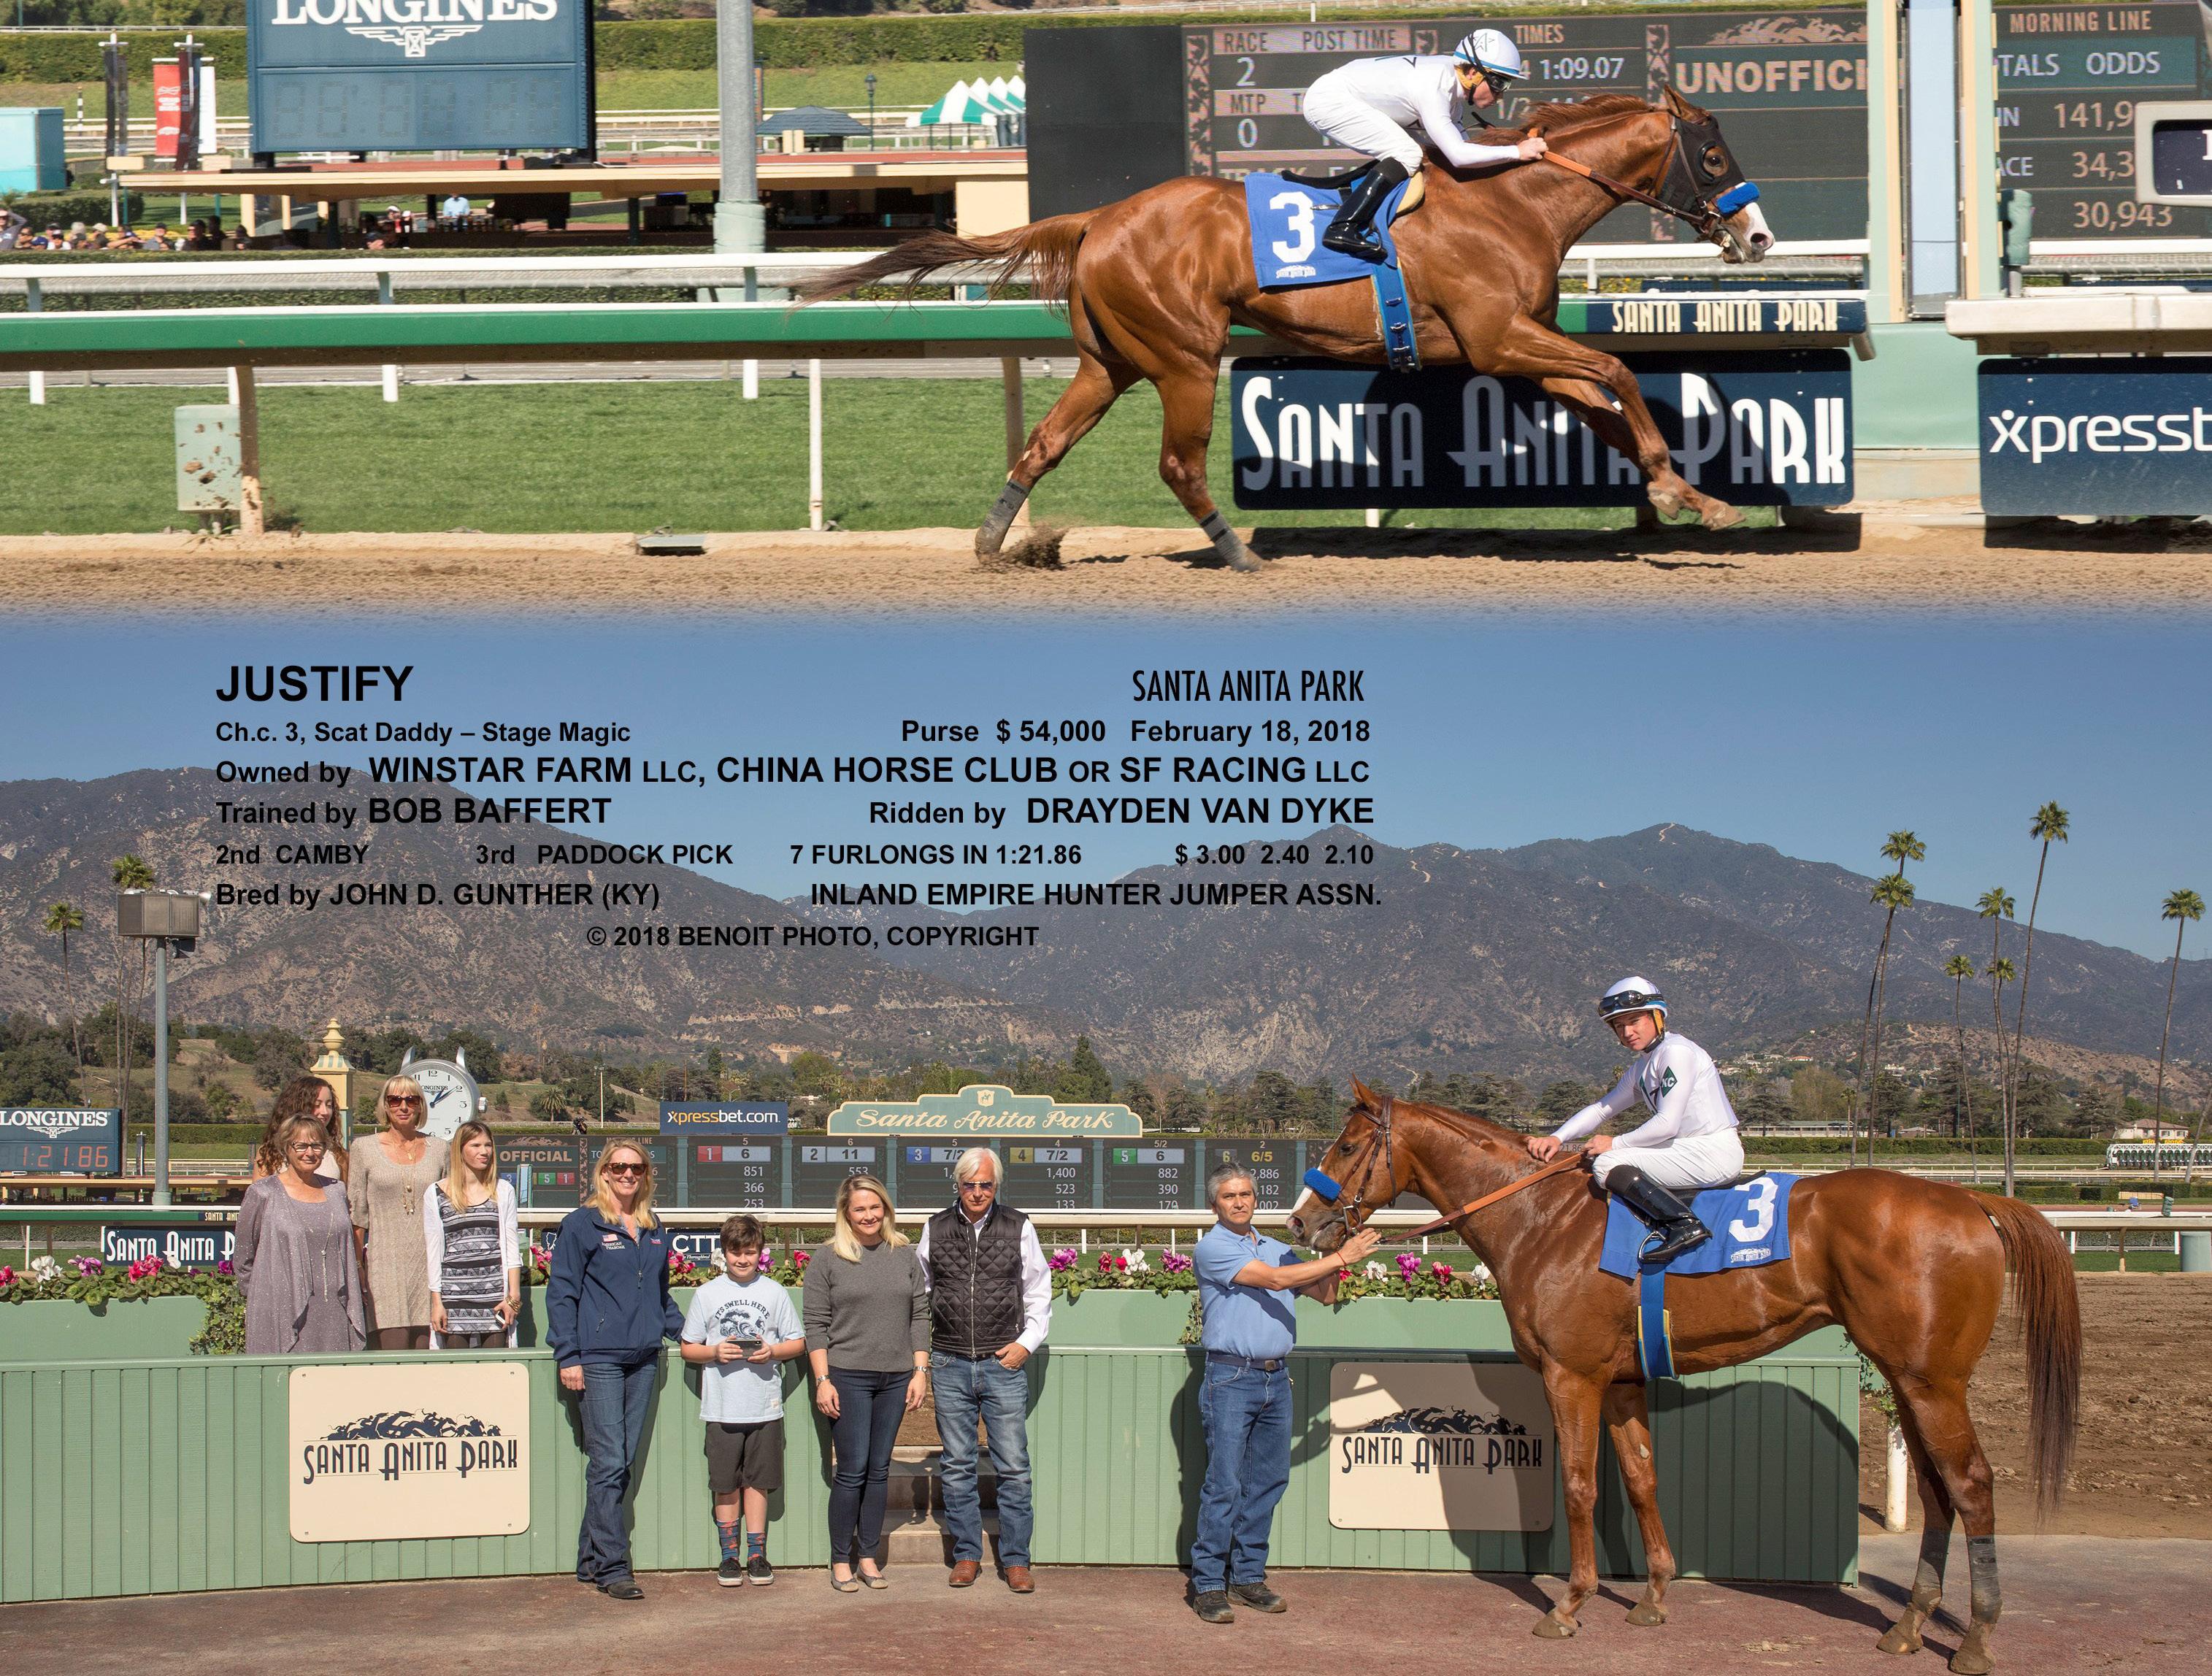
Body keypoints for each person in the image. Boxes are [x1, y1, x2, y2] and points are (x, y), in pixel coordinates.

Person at [1188, 1165, 1379, 1625]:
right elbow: (1274, 1281)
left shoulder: (1277, 1248)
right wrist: (1343, 1256)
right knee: (1225, 1483)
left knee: (1269, 1482)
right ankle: (1209, 1584)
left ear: (1256, 1200)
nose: (1239, 1202)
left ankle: (1248, 1577)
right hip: (1230, 1378)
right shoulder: (1212, 1247)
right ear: (1214, 1205)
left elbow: (1326, 1295)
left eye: (1246, 1194)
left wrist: (1332, 1244)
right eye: (1229, 1196)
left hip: (1277, 1379)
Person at [548, 1138, 686, 1601]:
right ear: (604, 1171)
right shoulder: (581, 1224)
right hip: (599, 1359)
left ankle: (590, 1560)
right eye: (619, 1166)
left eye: (637, 1167)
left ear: (646, 1175)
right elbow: (562, 1293)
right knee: (609, 1462)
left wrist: (689, 1334)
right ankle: (613, 1567)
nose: (628, 1174)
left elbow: (661, 1296)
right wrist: (568, 1355)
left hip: (644, 1358)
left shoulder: (652, 1226)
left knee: (619, 1463)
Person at [1527, 977, 1746, 1264]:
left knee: (1607, 1163)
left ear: (1657, 1016)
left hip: (1712, 1152)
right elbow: (1602, 1109)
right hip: (1690, 1148)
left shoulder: (1676, 1052)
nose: (1627, 1032)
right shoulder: (1644, 1065)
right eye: (1619, 1026)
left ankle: (1683, 1225)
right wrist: (1557, 1137)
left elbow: (1667, 1124)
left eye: (1634, 1021)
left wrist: (1614, 1143)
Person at [915, 1147, 1049, 1593]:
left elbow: (1038, 1291)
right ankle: (967, 1555)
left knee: (1014, 1468)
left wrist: (1025, 1345)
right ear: (957, 1184)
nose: (977, 1192)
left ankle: (1016, 1560)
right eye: (969, 1184)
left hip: (1001, 1363)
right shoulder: (934, 1227)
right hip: (949, 1361)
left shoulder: (1019, 1226)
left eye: (985, 1184)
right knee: (957, 1466)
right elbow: (921, 1292)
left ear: (997, 1185)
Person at [1299, 29, 1548, 260]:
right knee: (1407, 153)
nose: (1501, 95)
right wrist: (1517, 151)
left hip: (1346, 95)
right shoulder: (1435, 87)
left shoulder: (1451, 95)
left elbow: (1463, 151)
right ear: (1473, 73)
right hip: (1329, 101)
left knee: (1416, 152)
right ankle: (1343, 227)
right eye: (1499, 83)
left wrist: (1497, 148)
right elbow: (1459, 156)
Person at [802, 1173, 930, 1593]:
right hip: (847, 1376)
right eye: (860, 1208)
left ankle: (869, 1558)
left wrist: (920, 1371)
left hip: (896, 1377)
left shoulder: (904, 1255)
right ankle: (842, 1560)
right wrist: (823, 1380)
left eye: (875, 1207)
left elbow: (919, 1315)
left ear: (886, 1209)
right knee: (852, 1471)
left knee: (879, 1470)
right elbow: (815, 1325)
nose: (869, 1215)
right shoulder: (827, 1258)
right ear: (846, 1213)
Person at [680, 1214, 804, 1587]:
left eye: (750, 1252)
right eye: (736, 1253)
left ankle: (756, 1555)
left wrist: (772, 1351)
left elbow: (798, 1343)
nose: (743, 1259)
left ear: (760, 1253)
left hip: (765, 1407)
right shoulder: (707, 1294)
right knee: (726, 1484)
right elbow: (688, 1348)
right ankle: (729, 1557)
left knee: (757, 1483)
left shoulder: (775, 1293)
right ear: (725, 1253)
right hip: (721, 1408)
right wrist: (715, 1352)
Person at [234, 1116, 366, 1354]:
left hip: (334, 1309)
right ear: (286, 1147)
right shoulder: (263, 1193)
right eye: (301, 1146)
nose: (310, 1153)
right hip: (281, 1311)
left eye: (317, 1146)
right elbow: (244, 1256)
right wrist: (263, 1301)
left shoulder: (337, 1190)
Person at [347, 1073, 449, 1350]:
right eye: (395, 1100)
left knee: (426, 1357)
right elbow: (357, 1217)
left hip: (429, 1267)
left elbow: (449, 1211)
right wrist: (358, 1267)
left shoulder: (440, 1149)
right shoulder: (364, 1149)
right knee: (390, 1354)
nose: (403, 1106)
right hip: (383, 1269)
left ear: (420, 1105)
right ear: (385, 1105)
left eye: (411, 1100)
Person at [423, 1120, 521, 1349]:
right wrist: (437, 1303)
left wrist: (513, 1297)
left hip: (495, 1298)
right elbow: (434, 1253)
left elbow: (512, 1247)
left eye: (488, 1145)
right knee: (457, 1367)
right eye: (476, 1145)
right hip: (454, 1299)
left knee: (497, 1366)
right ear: (460, 1150)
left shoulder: (503, 1191)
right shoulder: (436, 1193)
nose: (484, 1151)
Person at [253, 1076, 349, 1186]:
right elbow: (258, 1193)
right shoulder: (270, 1153)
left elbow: (344, 1194)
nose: (325, 1112)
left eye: (329, 1105)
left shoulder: (339, 1155)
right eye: (317, 1105)